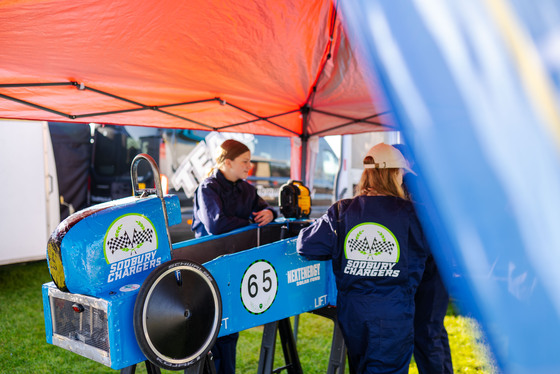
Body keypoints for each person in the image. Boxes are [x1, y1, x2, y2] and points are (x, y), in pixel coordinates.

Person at [296, 143, 429, 374]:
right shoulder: (413, 213)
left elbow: (306, 246)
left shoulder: (342, 210)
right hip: (393, 312)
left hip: (354, 314)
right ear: (394, 174)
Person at [192, 138, 277, 374]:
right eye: (245, 161)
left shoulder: (247, 188)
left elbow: (267, 208)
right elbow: (215, 225)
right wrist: (250, 222)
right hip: (208, 267)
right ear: (227, 162)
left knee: (230, 328)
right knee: (211, 330)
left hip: (235, 266)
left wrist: (269, 212)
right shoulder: (207, 188)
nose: (249, 166)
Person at [392, 144, 453, 374]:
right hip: (436, 264)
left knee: (426, 333)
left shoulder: (411, 183)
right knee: (433, 330)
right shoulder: (426, 182)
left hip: (430, 265)